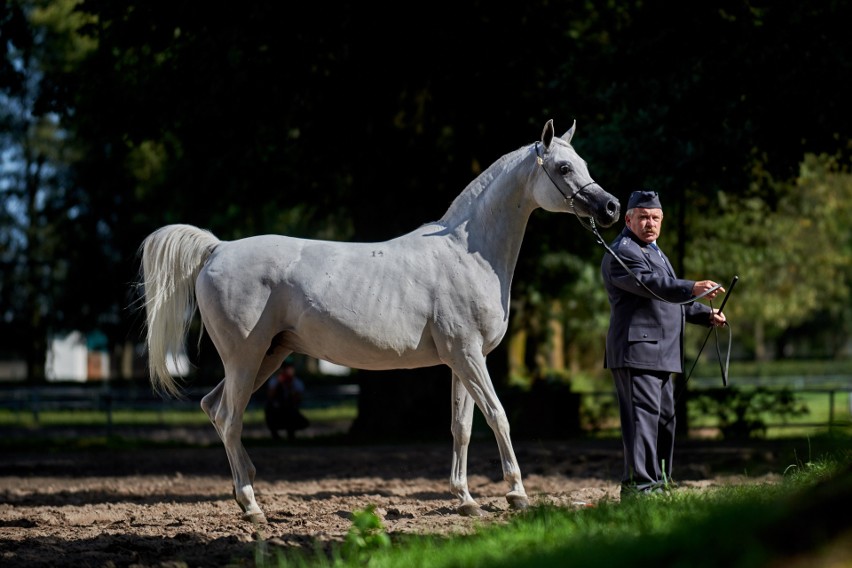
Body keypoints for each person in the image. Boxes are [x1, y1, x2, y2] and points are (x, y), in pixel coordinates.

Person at [600, 190, 727, 499]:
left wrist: (703, 313)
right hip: (636, 352)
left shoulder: (654, 252)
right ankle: (640, 487)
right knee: (642, 420)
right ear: (629, 218)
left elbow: (668, 300)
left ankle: (659, 481)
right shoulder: (623, 251)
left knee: (664, 420)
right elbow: (653, 286)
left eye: (656, 218)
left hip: (661, 353)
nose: (650, 223)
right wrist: (692, 286)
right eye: (643, 217)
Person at [265, 359, 310, 440]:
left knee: (292, 413)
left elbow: (297, 399)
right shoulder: (275, 380)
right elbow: (270, 396)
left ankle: (291, 435)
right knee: (269, 410)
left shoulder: (296, 382)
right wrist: (279, 383)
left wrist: (289, 386)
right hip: (276, 409)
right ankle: (275, 436)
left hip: (289, 409)